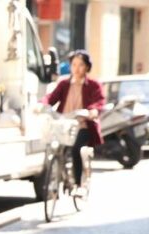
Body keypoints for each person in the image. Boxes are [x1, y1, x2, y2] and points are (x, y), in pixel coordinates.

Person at [43, 49, 105, 195]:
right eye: (74, 65)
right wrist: (42, 104)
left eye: (81, 65)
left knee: (77, 148)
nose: (76, 68)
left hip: (83, 126)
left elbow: (99, 101)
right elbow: (51, 98)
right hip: (65, 125)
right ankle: (57, 178)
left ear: (87, 67)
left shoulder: (94, 85)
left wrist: (93, 111)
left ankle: (78, 185)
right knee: (55, 148)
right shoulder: (64, 84)